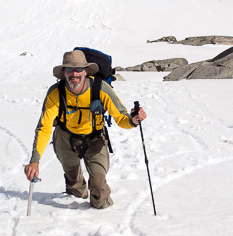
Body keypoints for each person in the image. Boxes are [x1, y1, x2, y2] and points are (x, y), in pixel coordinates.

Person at [24, 50, 146, 209]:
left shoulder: (100, 88)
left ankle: (102, 219)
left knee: (99, 188)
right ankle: (74, 211)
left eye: (79, 69)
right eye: (69, 69)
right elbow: (44, 128)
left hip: (95, 138)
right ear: (63, 72)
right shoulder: (56, 93)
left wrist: (133, 120)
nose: (74, 73)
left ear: (86, 71)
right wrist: (35, 161)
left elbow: (121, 118)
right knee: (74, 186)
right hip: (65, 138)